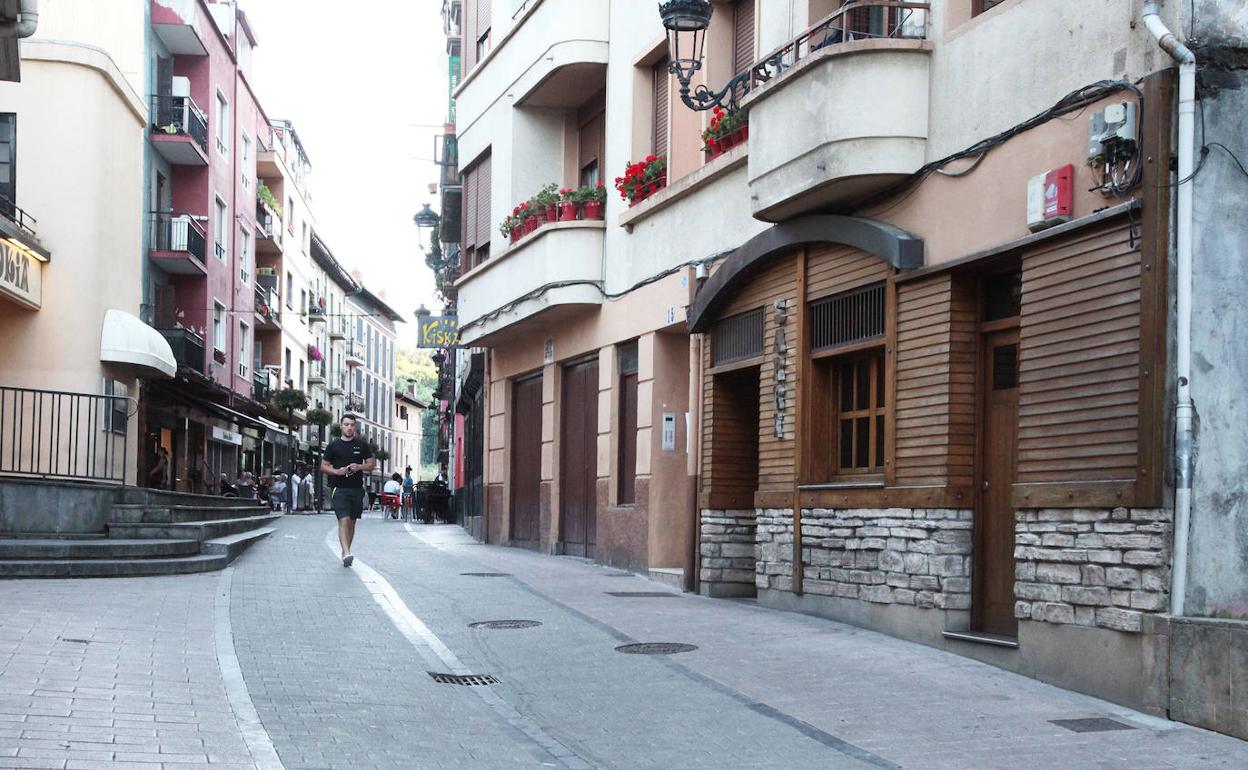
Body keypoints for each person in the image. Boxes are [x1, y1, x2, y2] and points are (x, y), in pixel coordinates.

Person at [321, 414, 375, 567]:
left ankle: (346, 550)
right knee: (343, 520)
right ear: (341, 426)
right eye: (346, 424)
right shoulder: (333, 446)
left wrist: (359, 467)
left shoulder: (362, 445)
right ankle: (346, 552)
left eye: (352, 425)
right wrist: (338, 471)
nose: (349, 427)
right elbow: (323, 466)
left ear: (355, 427)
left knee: (352, 522)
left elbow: (371, 464)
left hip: (357, 488)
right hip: (339, 488)